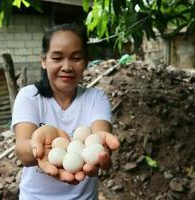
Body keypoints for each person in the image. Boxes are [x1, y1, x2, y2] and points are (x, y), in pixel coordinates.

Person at [11, 23, 120, 200]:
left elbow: (99, 138)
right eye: (57, 58)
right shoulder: (30, 96)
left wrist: (101, 149)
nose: (67, 67)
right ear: (43, 60)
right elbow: (22, 149)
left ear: (85, 61)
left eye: (76, 58)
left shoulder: (96, 98)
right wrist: (39, 147)